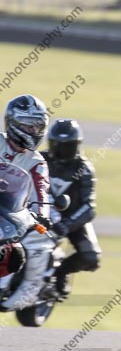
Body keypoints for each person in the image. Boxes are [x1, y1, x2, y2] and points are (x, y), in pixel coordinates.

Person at [0, 95, 51, 310]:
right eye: (28, 125)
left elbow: (42, 191)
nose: (33, 131)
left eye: (37, 126)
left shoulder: (36, 161)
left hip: (8, 215)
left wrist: (42, 216)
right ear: (12, 123)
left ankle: (5, 289)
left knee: (15, 254)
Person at [42, 119, 98, 299]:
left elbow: (89, 207)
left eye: (67, 146)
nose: (61, 151)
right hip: (40, 213)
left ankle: (60, 273)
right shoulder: (39, 160)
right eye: (58, 145)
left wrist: (67, 225)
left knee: (91, 257)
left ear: (77, 145)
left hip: (71, 219)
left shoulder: (84, 168)